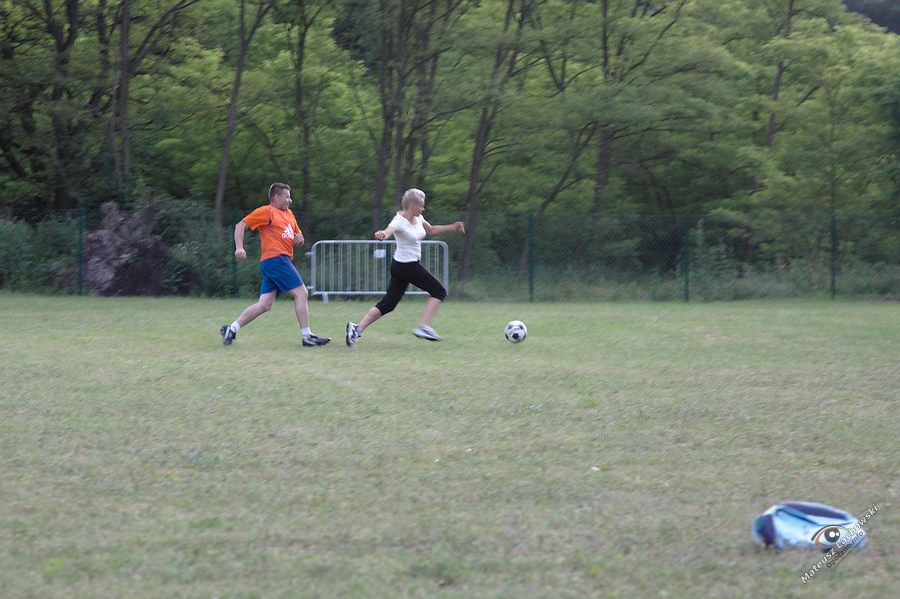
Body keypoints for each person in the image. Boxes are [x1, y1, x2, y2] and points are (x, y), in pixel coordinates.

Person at [345, 188, 464, 346]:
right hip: (407, 266)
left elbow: (431, 230)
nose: (423, 208)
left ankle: (356, 329)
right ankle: (424, 327)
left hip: (401, 266)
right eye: (421, 205)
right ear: (412, 205)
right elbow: (388, 232)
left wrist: (452, 227)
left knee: (389, 304)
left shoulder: (419, 218)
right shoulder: (398, 221)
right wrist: (382, 234)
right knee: (439, 291)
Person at [220, 183, 330, 347]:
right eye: (287, 196)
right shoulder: (267, 211)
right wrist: (239, 247)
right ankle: (307, 336)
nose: (290, 200)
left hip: (275, 262)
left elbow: (296, 235)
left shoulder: (289, 214)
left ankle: (231, 329)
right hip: (276, 260)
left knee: (264, 305)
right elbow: (240, 225)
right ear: (276, 197)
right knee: (302, 293)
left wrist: (299, 239)